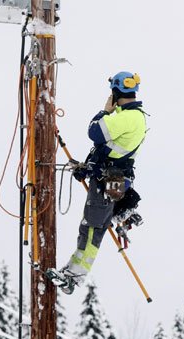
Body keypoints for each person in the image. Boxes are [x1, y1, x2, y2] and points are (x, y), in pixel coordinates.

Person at [46, 71, 147, 294]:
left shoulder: (125, 117)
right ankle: (121, 214)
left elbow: (95, 131)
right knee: (94, 225)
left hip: (110, 179)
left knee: (92, 227)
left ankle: (74, 276)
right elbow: (109, 150)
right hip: (112, 177)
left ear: (115, 92)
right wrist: (89, 167)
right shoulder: (133, 116)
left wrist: (104, 110)